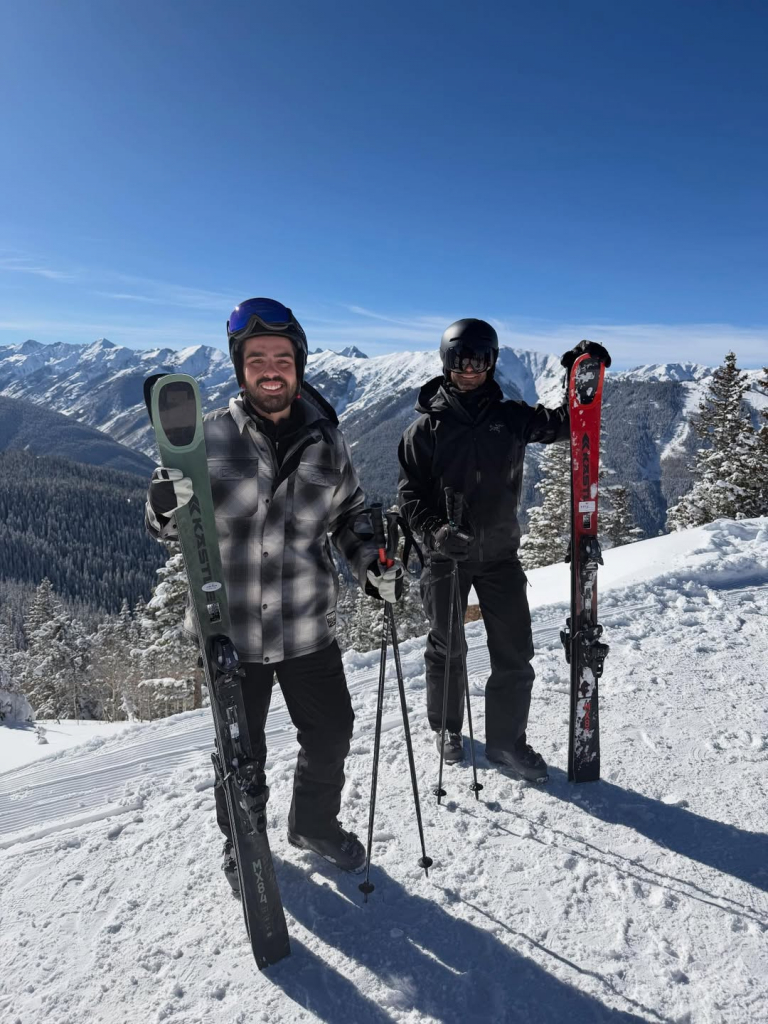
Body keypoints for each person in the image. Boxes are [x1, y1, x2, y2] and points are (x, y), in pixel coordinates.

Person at [145, 297, 402, 885]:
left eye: (281, 358)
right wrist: (161, 506)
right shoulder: (205, 441)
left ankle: (311, 823)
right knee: (239, 753)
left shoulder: (328, 443)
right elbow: (166, 522)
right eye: (256, 357)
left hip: (307, 625)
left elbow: (352, 515)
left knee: (332, 731)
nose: (270, 368)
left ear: (299, 365)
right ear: (240, 367)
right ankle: (243, 839)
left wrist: (371, 563)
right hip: (228, 631)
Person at [397, 319, 610, 782]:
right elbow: (409, 496)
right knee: (446, 646)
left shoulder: (510, 417)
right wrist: (436, 532)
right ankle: (447, 728)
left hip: (499, 556)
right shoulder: (426, 429)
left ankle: (506, 744)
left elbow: (566, 426)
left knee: (514, 653)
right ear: (446, 362)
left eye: (479, 359)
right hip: (445, 558)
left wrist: (581, 375)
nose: (469, 369)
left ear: (491, 362)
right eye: (460, 359)